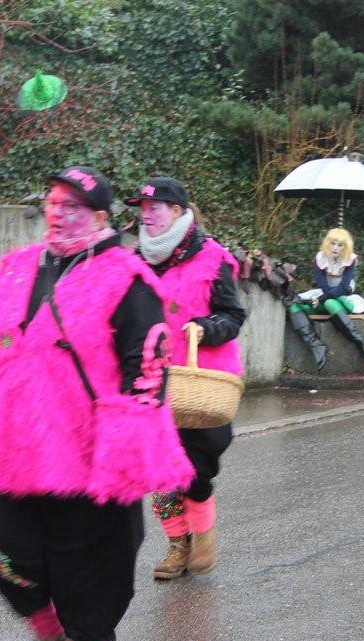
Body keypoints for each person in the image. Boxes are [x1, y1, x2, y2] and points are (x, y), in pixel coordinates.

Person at [0, 166, 193, 641]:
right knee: (2, 547)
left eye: (73, 204)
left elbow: (147, 362)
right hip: (13, 443)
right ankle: (49, 633)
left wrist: (126, 442)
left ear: (100, 215)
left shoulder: (126, 277)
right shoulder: (17, 267)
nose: (58, 211)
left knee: (89, 561)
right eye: (54, 201)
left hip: (88, 448)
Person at [124, 176, 246, 580]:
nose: (146, 216)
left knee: (196, 465)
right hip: (152, 379)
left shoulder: (213, 258)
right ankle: (178, 543)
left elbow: (233, 317)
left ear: (176, 211)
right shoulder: (135, 261)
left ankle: (203, 530)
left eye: (153, 208)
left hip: (204, 383)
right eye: (141, 209)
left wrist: (204, 328)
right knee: (158, 469)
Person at [287, 227, 364, 369]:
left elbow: (343, 288)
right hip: (325, 296)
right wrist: (318, 299)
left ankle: (359, 342)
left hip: (343, 299)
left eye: (340, 245)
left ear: (345, 247)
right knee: (293, 306)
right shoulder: (320, 258)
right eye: (333, 243)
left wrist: (320, 299)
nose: (335, 248)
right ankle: (317, 346)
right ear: (327, 243)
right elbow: (325, 287)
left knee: (329, 302)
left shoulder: (350, 260)